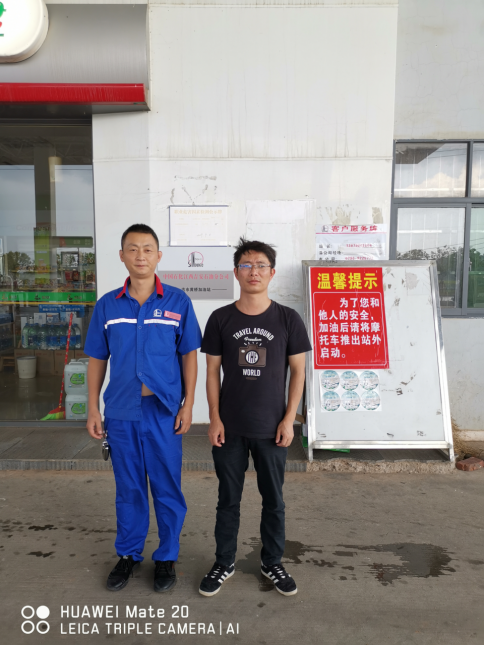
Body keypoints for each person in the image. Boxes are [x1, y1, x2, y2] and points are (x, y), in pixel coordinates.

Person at [84, 223, 201, 593]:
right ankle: (129, 554)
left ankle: (166, 556)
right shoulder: (107, 305)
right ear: (121, 256)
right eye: (132, 249)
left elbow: (189, 356)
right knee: (129, 487)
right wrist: (92, 408)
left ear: (158, 256)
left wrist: (189, 405)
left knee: (167, 487)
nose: (140, 256)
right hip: (121, 412)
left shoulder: (177, 302)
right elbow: (97, 359)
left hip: (163, 411)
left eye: (147, 249)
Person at [198, 238, 312, 597]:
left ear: (272, 273)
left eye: (261, 265)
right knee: (227, 500)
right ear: (236, 272)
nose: (254, 272)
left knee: (273, 501)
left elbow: (299, 373)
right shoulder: (221, 318)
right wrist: (214, 418)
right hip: (229, 428)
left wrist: (289, 419)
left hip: (272, 429)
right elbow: (211, 373)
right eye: (246, 265)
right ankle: (224, 562)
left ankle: (272, 561)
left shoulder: (288, 319)